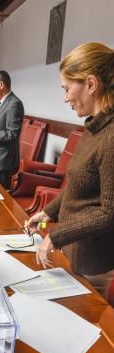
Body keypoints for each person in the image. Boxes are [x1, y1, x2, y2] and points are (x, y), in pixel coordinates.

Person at [25, 42, 114, 305]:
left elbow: (109, 212)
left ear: (90, 84)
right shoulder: (94, 128)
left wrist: (55, 234)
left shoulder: (110, 137)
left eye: (66, 88)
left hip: (93, 264)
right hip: (75, 252)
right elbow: (79, 183)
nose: (65, 97)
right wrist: (48, 212)